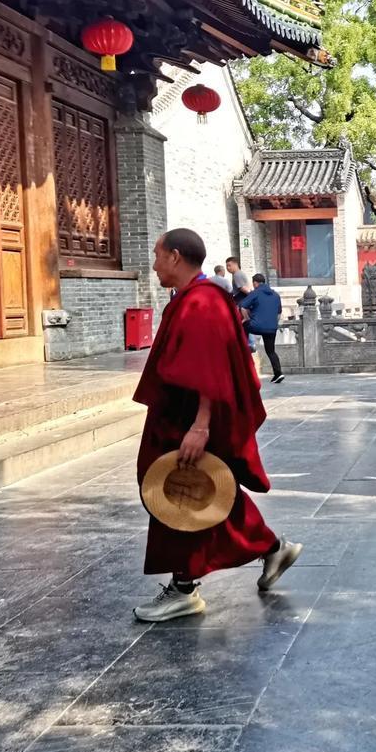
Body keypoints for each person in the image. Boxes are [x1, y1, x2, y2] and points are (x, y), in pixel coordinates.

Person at [131, 228, 302, 622]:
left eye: (157, 256)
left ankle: (184, 588)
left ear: (175, 256)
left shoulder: (203, 302)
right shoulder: (193, 298)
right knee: (198, 492)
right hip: (178, 417)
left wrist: (201, 425)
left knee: (181, 493)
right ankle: (271, 547)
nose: (154, 264)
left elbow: (209, 370)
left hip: (188, 421)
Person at [240, 273, 284, 384]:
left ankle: (244, 346)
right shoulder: (275, 295)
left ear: (255, 283)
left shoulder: (255, 293)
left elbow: (242, 307)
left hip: (256, 326)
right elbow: (279, 314)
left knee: (243, 325)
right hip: (271, 328)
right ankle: (278, 373)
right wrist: (274, 323)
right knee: (271, 351)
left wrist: (246, 318)